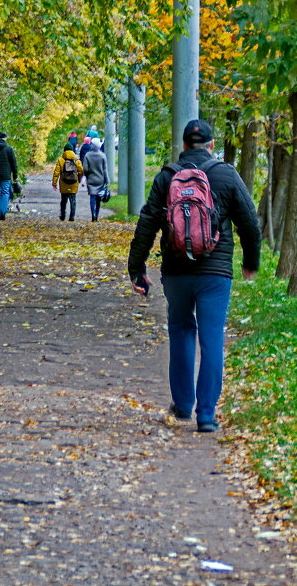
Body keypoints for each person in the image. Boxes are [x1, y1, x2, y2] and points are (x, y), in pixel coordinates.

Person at [128, 119, 261, 432]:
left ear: (184, 145)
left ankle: (183, 405)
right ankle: (206, 416)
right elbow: (249, 223)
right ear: (211, 145)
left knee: (181, 330)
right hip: (215, 272)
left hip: (176, 272)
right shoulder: (226, 174)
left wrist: (137, 267)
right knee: (212, 336)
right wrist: (250, 263)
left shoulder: (167, 176)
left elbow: (147, 222)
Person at [52, 144, 84, 221]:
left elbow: (56, 172)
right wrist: (79, 180)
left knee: (63, 200)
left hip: (64, 183)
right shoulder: (77, 160)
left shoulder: (60, 160)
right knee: (73, 200)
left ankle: (63, 216)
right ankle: (72, 217)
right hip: (73, 183)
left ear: (64, 150)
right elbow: (81, 171)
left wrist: (54, 183)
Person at [82, 137, 109, 221]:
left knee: (92, 197)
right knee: (98, 198)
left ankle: (92, 214)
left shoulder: (87, 155)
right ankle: (96, 214)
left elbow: (85, 169)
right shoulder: (102, 156)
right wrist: (107, 180)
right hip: (100, 180)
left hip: (91, 179)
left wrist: (87, 175)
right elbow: (105, 169)